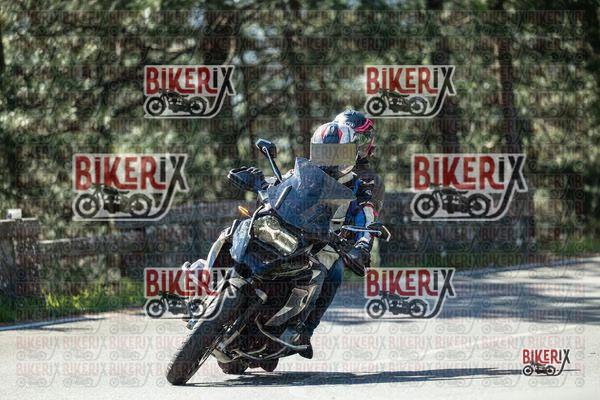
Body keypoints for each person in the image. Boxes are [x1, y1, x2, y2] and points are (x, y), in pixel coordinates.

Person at [297, 109, 385, 359]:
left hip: (331, 240)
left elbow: (366, 214)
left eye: (363, 139)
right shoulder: (307, 169)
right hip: (295, 229)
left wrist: (362, 243)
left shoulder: (367, 181)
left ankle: (305, 331)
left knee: (334, 272)